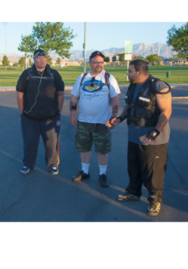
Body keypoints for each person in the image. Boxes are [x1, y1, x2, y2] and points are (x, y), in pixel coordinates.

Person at [107, 59, 172, 217]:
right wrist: (119, 119)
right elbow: (130, 106)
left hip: (153, 138)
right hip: (134, 135)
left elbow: (166, 111)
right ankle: (133, 192)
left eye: (130, 71)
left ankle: (154, 200)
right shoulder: (133, 86)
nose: (127, 74)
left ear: (140, 72)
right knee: (134, 167)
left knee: (152, 170)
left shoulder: (158, 86)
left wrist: (154, 132)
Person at [70, 51, 120, 187]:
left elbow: (115, 101)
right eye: (96, 62)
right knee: (84, 147)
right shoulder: (82, 77)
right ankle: (84, 172)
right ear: (89, 63)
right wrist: (72, 114)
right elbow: (74, 97)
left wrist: (113, 118)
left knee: (102, 149)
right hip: (84, 121)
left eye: (101, 62)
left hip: (102, 122)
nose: (99, 64)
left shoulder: (109, 78)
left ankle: (102, 174)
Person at [16, 50, 64, 175]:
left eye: (43, 57)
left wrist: (58, 111)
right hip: (30, 118)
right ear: (34, 59)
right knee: (29, 142)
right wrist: (22, 112)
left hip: (50, 118)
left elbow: (60, 93)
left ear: (47, 59)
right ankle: (28, 164)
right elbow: (20, 93)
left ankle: (53, 165)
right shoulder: (27, 74)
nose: (41, 60)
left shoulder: (54, 74)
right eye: (38, 58)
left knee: (51, 144)